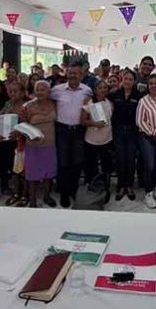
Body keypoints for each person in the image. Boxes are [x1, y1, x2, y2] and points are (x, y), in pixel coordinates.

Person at [50, 62, 93, 208]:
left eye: (76, 73)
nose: (73, 75)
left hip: (79, 131)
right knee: (63, 163)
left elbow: (90, 108)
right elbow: (43, 99)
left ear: (81, 75)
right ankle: (64, 192)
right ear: (66, 74)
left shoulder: (87, 90)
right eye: (70, 73)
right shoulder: (57, 90)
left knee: (77, 162)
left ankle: (73, 190)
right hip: (62, 130)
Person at [21, 80, 58, 208]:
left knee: (49, 172)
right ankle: (32, 201)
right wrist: (32, 136)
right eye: (37, 89)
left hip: (50, 144)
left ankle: (47, 196)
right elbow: (22, 126)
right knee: (32, 174)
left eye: (43, 90)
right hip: (33, 145)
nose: (40, 92)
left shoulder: (54, 104)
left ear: (48, 91)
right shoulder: (27, 106)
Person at [136, 74, 156, 209]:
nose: (154, 86)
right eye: (151, 84)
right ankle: (148, 193)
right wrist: (153, 132)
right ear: (147, 86)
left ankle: (154, 188)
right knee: (149, 165)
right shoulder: (143, 101)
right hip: (147, 137)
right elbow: (139, 121)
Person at [109, 69, 140, 201]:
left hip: (133, 131)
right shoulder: (115, 94)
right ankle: (121, 186)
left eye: (130, 79)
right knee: (120, 159)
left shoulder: (139, 96)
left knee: (131, 159)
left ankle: (129, 186)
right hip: (118, 131)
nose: (127, 81)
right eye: (125, 79)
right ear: (122, 80)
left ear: (134, 82)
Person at [81, 80, 114, 202]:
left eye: (105, 87)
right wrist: (94, 123)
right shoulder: (89, 102)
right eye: (100, 87)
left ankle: (104, 188)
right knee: (91, 166)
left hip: (106, 140)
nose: (103, 90)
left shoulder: (109, 103)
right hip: (91, 140)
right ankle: (91, 189)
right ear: (95, 90)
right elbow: (82, 120)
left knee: (106, 167)